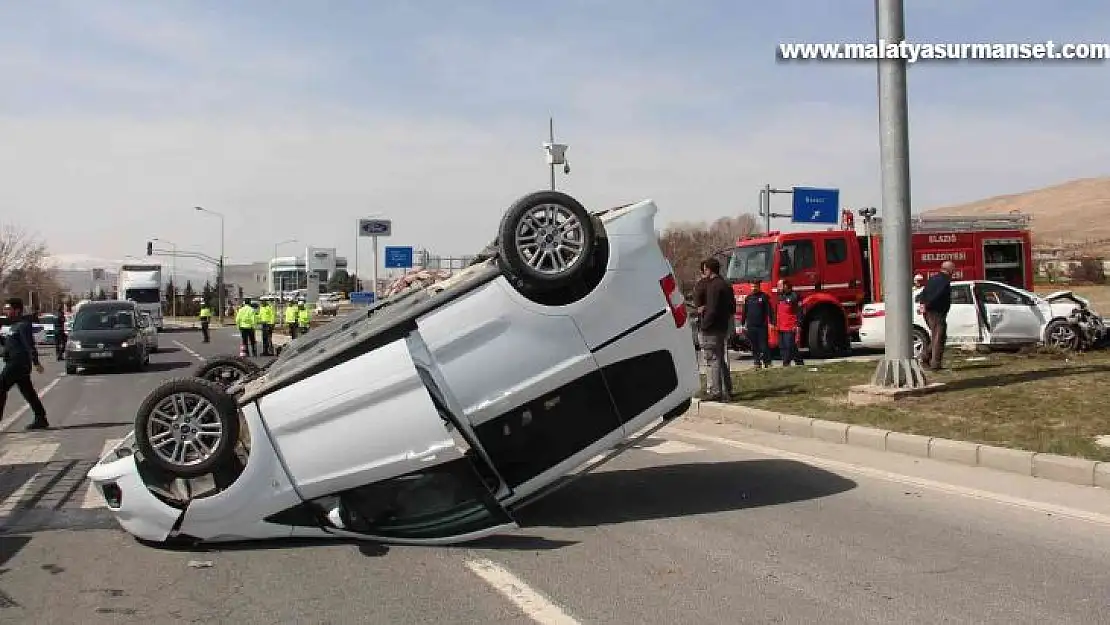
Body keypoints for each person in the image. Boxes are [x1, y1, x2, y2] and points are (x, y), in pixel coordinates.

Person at [0, 298, 49, 430]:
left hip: (18, 363)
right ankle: (41, 418)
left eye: (8, 309)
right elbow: (9, 344)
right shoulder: (14, 325)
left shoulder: (24, 325)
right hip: (14, 362)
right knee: (28, 392)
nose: (6, 311)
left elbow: (29, 345)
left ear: (17, 310)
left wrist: (36, 362)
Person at [695, 258, 735, 401]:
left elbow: (711, 309)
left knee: (712, 360)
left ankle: (716, 391)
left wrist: (704, 325)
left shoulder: (713, 286)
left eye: (705, 269)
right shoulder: (725, 285)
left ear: (709, 269)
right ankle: (727, 389)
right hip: (722, 327)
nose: (704, 272)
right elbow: (732, 308)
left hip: (711, 328)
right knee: (720, 359)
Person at [915, 261, 955, 371]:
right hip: (936, 312)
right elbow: (938, 295)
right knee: (939, 338)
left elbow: (924, 293)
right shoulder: (944, 281)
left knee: (936, 336)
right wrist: (928, 305)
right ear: (949, 270)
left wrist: (923, 305)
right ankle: (934, 363)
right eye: (953, 269)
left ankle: (926, 358)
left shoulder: (932, 279)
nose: (954, 272)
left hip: (929, 312)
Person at [740, 278, 774, 369]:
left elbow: (769, 311)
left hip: (762, 326)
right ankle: (757, 362)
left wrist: (771, 322)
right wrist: (742, 323)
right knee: (754, 346)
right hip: (751, 326)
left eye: (755, 286)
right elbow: (744, 312)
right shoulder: (748, 298)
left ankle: (767, 362)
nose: (754, 288)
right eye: (752, 286)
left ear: (759, 286)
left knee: (764, 345)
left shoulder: (764, 297)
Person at [775, 279, 804, 366]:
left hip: (790, 326)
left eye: (780, 286)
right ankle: (799, 362)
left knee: (789, 346)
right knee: (783, 346)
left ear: (786, 286)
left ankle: (786, 364)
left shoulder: (794, 296)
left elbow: (800, 311)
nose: (778, 288)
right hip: (781, 326)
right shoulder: (780, 296)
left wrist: (798, 324)